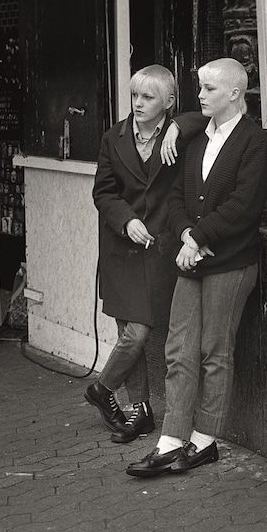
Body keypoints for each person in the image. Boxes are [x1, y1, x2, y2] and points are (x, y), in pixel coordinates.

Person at [127, 57, 267, 477]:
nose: (200, 95)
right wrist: (186, 235)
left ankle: (205, 439)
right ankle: (171, 440)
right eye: (200, 88)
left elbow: (244, 206)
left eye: (209, 89)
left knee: (215, 351)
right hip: (193, 259)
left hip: (231, 262)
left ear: (234, 93)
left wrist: (196, 238)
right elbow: (176, 196)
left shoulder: (255, 142)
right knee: (178, 350)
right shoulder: (195, 138)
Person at [85, 64, 204, 444]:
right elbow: (103, 192)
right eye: (134, 95)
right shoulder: (113, 137)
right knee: (129, 331)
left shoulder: (179, 135)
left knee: (137, 332)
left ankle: (102, 388)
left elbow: (210, 116)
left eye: (148, 97)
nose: (137, 103)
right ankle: (141, 412)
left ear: (168, 102)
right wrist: (125, 220)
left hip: (158, 248)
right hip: (121, 246)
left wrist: (177, 126)